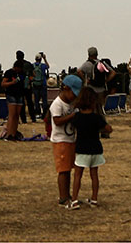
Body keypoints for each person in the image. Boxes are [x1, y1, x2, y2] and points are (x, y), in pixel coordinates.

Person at [69, 87, 112, 209]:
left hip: (82, 149)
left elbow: (72, 128)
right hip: (96, 149)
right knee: (94, 175)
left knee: (78, 175)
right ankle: (94, 199)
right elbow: (109, 129)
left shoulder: (77, 117)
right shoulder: (96, 118)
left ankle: (74, 200)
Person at [50, 75, 81, 209]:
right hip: (60, 140)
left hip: (70, 140)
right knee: (63, 170)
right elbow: (57, 121)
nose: (74, 97)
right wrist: (73, 116)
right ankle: (63, 198)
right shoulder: (57, 104)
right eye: (73, 93)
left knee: (68, 169)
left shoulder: (70, 104)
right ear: (66, 88)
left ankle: (67, 195)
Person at [77, 47, 114, 117]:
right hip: (101, 89)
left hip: (91, 88)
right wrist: (106, 81)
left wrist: (84, 80)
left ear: (89, 54)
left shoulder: (87, 64)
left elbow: (79, 71)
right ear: (97, 54)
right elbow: (113, 72)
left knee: (91, 107)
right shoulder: (101, 63)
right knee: (100, 107)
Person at [1, 60, 26, 140]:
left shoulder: (22, 73)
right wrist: (12, 82)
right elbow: (3, 84)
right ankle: (9, 134)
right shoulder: (9, 72)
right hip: (11, 95)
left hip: (19, 95)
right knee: (12, 114)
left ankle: (14, 133)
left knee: (16, 115)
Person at [32, 53, 50, 118]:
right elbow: (48, 66)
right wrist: (45, 58)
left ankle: (37, 113)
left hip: (35, 84)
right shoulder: (42, 65)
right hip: (43, 84)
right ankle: (44, 113)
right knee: (44, 100)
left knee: (36, 100)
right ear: (40, 59)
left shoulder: (32, 65)